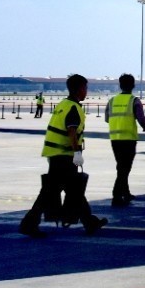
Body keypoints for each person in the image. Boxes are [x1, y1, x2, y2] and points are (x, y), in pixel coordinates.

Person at [19, 74, 106, 238]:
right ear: (80, 89)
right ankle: (29, 224)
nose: (86, 91)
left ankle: (90, 222)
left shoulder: (63, 104)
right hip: (63, 156)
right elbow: (72, 132)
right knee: (54, 192)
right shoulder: (73, 108)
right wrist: (77, 153)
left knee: (72, 190)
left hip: (55, 154)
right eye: (85, 88)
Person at [106, 74, 145, 207]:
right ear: (133, 85)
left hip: (115, 139)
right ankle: (116, 195)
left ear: (120, 85)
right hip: (129, 139)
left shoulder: (112, 101)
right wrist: (144, 126)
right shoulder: (134, 101)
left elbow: (107, 118)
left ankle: (126, 192)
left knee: (121, 166)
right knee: (125, 168)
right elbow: (140, 117)